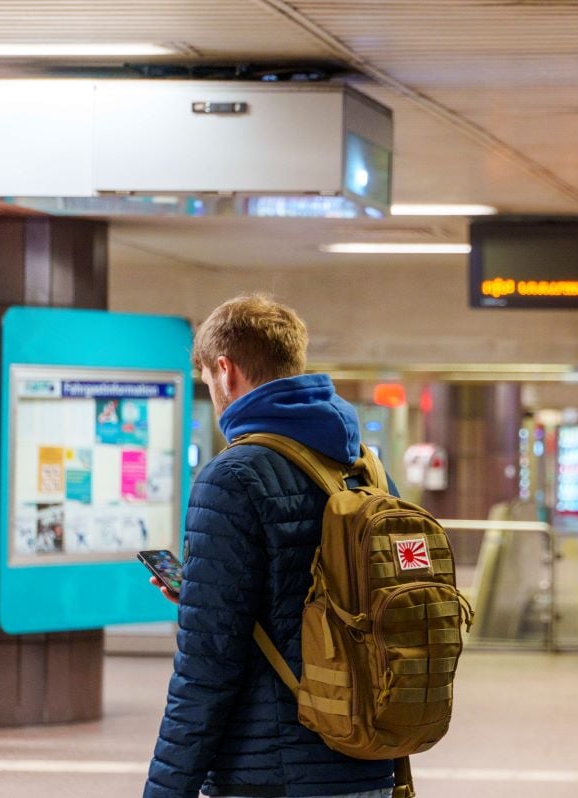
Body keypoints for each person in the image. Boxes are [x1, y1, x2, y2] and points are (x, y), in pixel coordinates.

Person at [145, 294, 394, 798]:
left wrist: (166, 789)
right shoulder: (364, 467)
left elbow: (207, 665)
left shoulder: (233, 476)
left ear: (225, 369)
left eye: (207, 380)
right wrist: (203, 595)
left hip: (270, 772)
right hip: (366, 759)